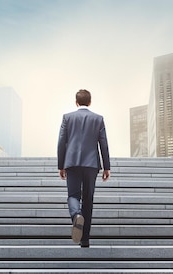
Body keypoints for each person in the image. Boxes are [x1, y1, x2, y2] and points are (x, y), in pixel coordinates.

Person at [57, 89, 111, 248]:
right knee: (88, 199)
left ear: (76, 102)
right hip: (91, 164)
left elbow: (61, 142)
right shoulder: (98, 119)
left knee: (73, 195)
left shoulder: (67, 118)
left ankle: (76, 215)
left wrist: (61, 165)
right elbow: (104, 144)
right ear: (90, 102)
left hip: (72, 162)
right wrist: (106, 167)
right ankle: (85, 239)